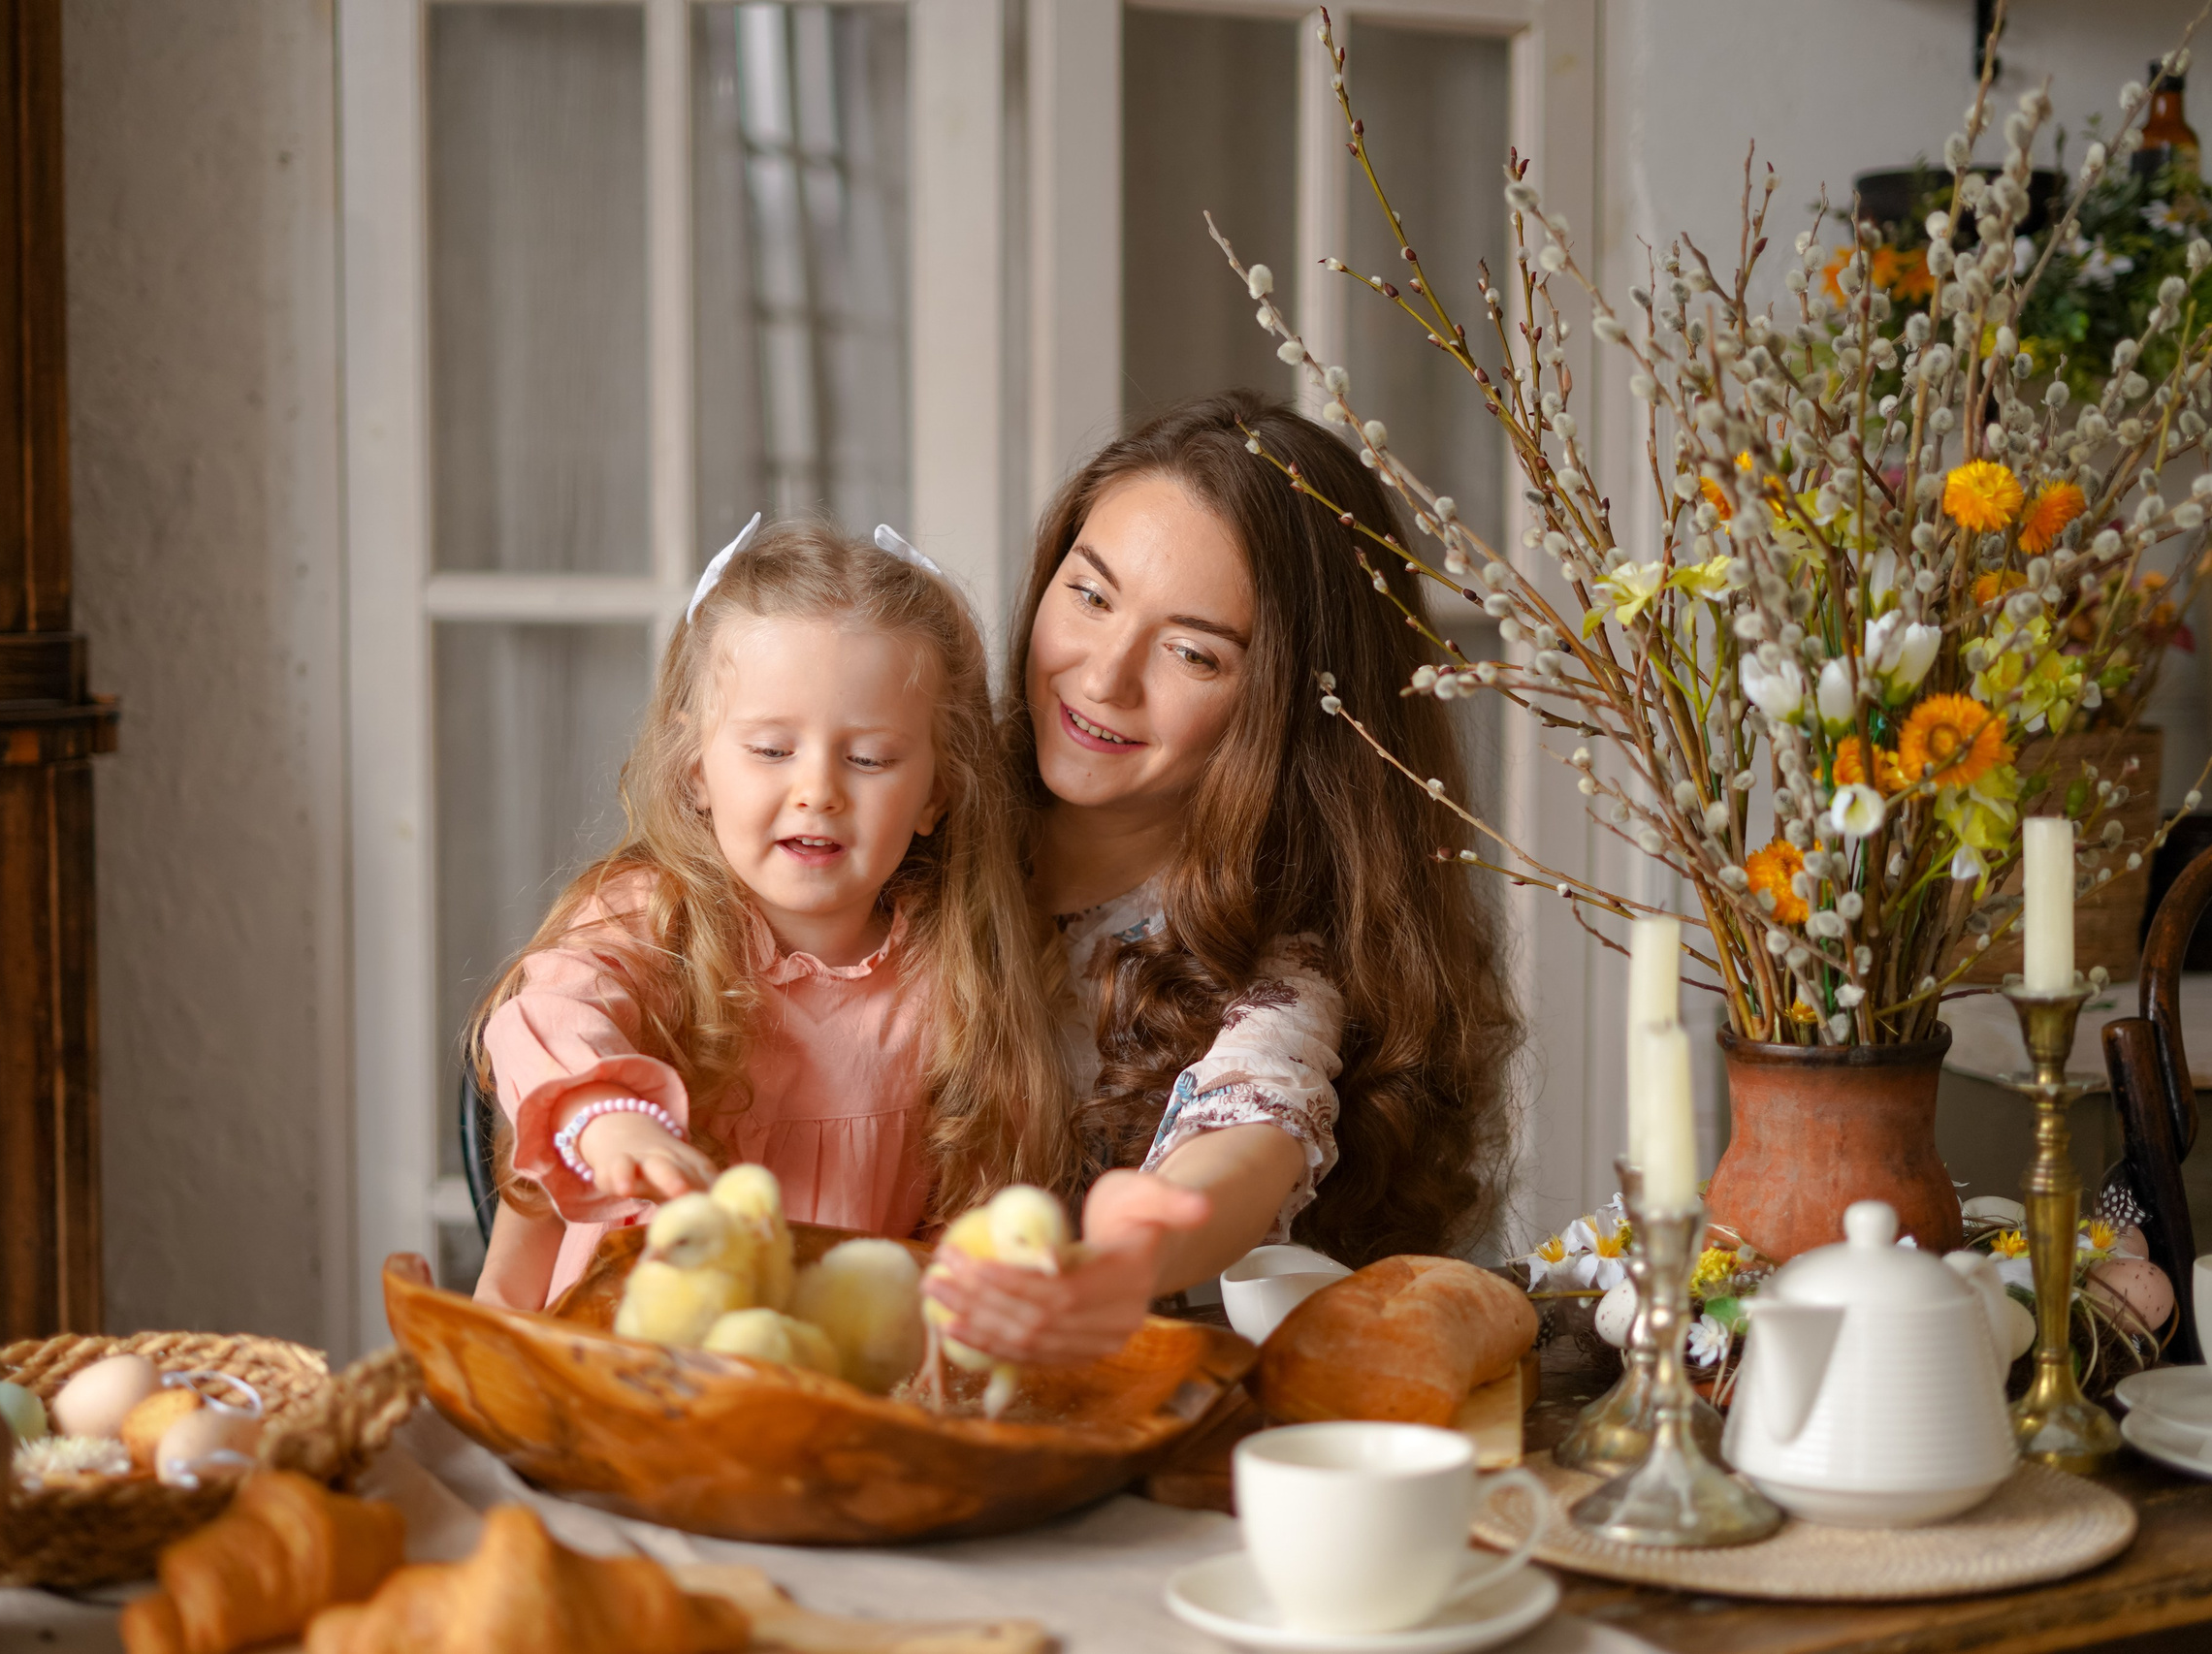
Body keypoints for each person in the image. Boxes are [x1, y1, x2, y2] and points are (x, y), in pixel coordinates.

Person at [921, 390, 1522, 1362]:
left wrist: (1141, 1236)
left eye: (1192, 651)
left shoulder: (1272, 963)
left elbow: (1251, 1132)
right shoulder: (909, 812)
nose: (1104, 674)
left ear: (1289, 709)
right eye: (1089, 594)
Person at [468, 517, 1069, 1310]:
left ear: (937, 792)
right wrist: (608, 1120)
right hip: (629, 1379)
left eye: (868, 759)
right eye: (771, 749)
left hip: (833, 1388)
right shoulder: (652, 924)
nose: (818, 790)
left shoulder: (956, 975)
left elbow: (961, 1247)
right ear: (696, 771)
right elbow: (549, 1009)